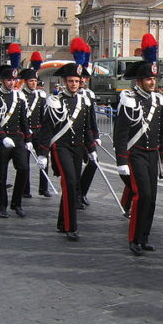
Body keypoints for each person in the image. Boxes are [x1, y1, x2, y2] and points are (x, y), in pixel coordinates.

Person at [114, 34, 163, 255]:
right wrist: (121, 161)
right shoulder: (129, 99)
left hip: (152, 156)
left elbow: (161, 131)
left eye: (154, 79)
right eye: (148, 79)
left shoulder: (157, 100)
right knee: (142, 195)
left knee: (152, 198)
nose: (152, 82)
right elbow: (121, 133)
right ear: (139, 81)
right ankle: (134, 238)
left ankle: (145, 236)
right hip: (135, 154)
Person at [38, 63, 98, 241]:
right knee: (70, 182)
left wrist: (91, 149)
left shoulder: (84, 102)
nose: (74, 84)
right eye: (71, 81)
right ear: (64, 82)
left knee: (72, 184)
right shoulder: (55, 101)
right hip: (61, 146)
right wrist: (42, 153)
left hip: (78, 148)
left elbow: (87, 128)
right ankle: (71, 227)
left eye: (77, 81)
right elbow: (47, 128)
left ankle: (61, 222)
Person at [0, 65, 32, 218]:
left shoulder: (19, 97)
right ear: (2, 81)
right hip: (1, 140)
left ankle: (17, 203)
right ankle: (1, 206)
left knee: (24, 168)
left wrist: (28, 138)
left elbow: (23, 120)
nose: (12, 83)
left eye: (14, 80)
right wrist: (2, 136)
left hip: (17, 138)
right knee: (1, 174)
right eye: (9, 80)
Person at [20, 68, 50, 199]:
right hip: (25, 133)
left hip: (39, 131)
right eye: (31, 81)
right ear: (25, 82)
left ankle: (44, 188)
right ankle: (25, 189)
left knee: (44, 159)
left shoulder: (41, 95)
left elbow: (44, 114)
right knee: (24, 163)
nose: (33, 83)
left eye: (35, 81)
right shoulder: (20, 96)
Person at [78, 76, 100, 208]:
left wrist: (96, 135)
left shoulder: (88, 95)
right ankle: (73, 195)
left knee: (93, 163)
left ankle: (82, 192)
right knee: (74, 169)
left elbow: (92, 116)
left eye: (83, 79)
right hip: (73, 137)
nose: (81, 82)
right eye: (78, 79)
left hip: (88, 135)